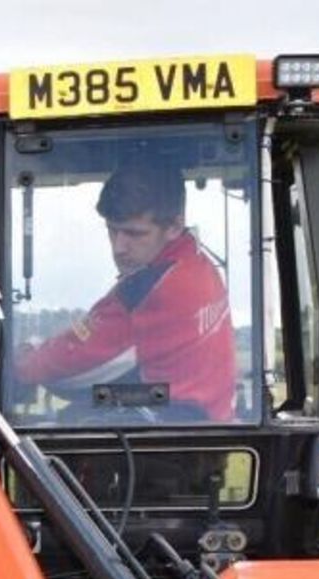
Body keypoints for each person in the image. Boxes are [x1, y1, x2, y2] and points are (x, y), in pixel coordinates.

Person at [15, 162, 235, 421]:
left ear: (174, 226)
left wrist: (23, 362)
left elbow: (71, 364)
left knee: (58, 424)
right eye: (112, 230)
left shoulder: (150, 290)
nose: (119, 247)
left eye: (134, 233)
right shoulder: (199, 264)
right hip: (202, 425)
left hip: (170, 443)